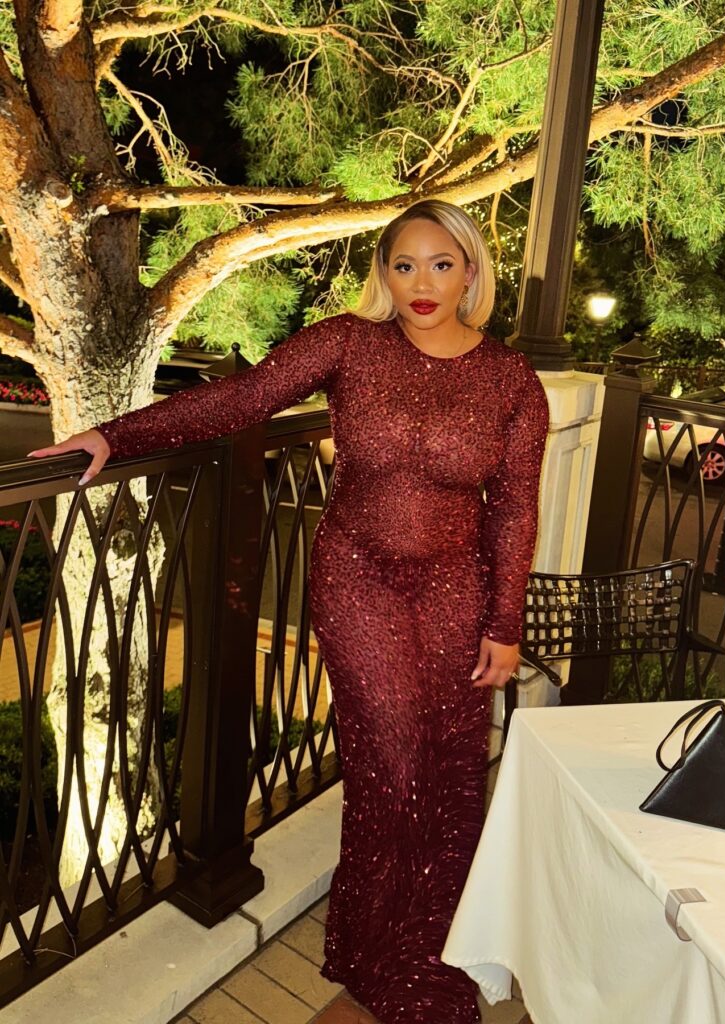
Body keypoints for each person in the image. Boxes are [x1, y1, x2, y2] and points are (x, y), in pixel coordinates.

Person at [30, 200, 549, 1024]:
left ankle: (427, 945)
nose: (420, 283)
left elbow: (514, 508)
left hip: (457, 588)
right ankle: (379, 955)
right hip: (358, 581)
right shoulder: (349, 342)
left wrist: (504, 622)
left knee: (449, 770)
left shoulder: (510, 378)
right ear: (381, 274)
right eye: (402, 265)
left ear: (472, 272)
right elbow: (241, 399)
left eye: (440, 264)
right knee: (389, 765)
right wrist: (112, 435)